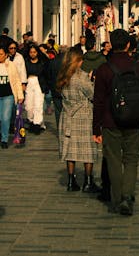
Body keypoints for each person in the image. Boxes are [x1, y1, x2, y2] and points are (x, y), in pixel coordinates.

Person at [93, 28, 139, 215]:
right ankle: (127, 196)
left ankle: (117, 198)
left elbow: (99, 101)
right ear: (128, 45)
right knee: (131, 159)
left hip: (111, 122)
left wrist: (96, 128)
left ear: (111, 45)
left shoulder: (104, 70)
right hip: (134, 121)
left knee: (113, 159)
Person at [56, 47, 101, 193]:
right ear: (77, 61)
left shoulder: (63, 76)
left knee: (70, 149)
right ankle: (88, 181)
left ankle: (71, 180)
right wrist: (92, 80)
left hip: (67, 114)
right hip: (83, 115)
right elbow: (93, 94)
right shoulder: (81, 77)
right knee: (88, 150)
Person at [0, 45, 24, 148]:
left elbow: (17, 81)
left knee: (5, 118)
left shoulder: (11, 65)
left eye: (0, 54)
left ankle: (4, 139)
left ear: (6, 55)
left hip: (8, 96)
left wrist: (20, 95)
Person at [24, 44, 49, 134]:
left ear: (37, 53)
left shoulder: (42, 62)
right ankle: (31, 121)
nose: (33, 54)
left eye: (34, 52)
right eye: (31, 52)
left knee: (38, 104)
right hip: (29, 83)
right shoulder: (26, 62)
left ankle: (37, 124)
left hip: (39, 83)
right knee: (29, 106)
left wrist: (46, 86)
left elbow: (46, 74)